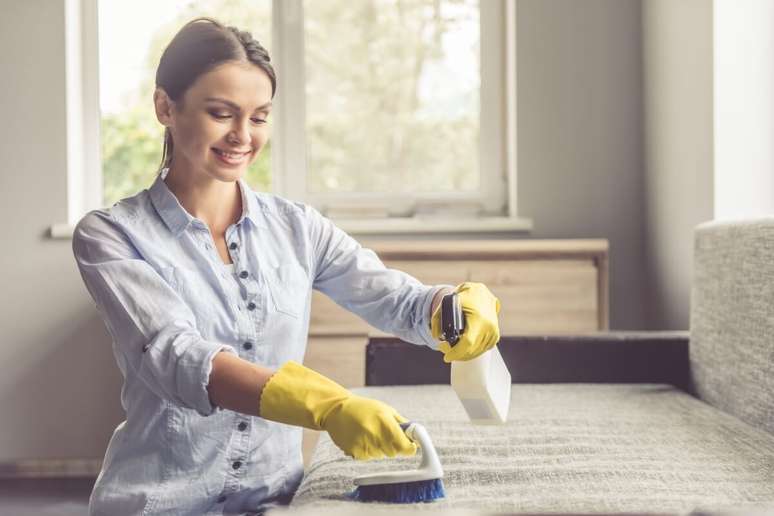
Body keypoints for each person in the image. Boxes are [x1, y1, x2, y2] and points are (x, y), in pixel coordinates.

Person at [72, 17, 501, 516]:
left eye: (259, 117)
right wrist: (325, 404)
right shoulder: (111, 236)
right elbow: (178, 357)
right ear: (165, 106)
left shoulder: (298, 229)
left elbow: (393, 298)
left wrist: (449, 307)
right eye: (220, 113)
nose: (242, 135)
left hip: (274, 503)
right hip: (160, 504)